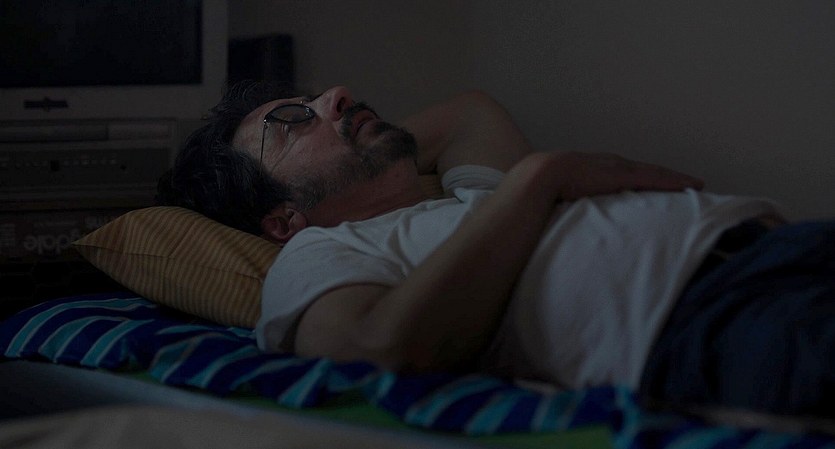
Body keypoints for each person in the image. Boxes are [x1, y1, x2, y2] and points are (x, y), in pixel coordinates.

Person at [157, 80, 835, 420]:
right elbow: (375, 345)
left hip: (783, 247)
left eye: (322, 98)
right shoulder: (320, 252)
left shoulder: (469, 200)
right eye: (290, 121)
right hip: (711, 316)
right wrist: (541, 179)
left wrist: (351, 136)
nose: (336, 95)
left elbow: (469, 112)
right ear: (281, 219)